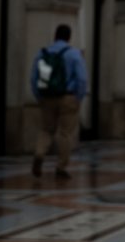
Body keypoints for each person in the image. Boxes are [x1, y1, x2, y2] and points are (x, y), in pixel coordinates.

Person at [29, 24, 88, 179]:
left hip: (47, 97)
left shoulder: (42, 53)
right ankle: (61, 167)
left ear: (55, 35)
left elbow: (33, 77)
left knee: (46, 129)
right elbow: (82, 79)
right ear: (69, 37)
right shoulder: (74, 54)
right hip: (68, 97)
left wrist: (39, 96)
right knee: (65, 133)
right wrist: (78, 97)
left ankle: (39, 154)